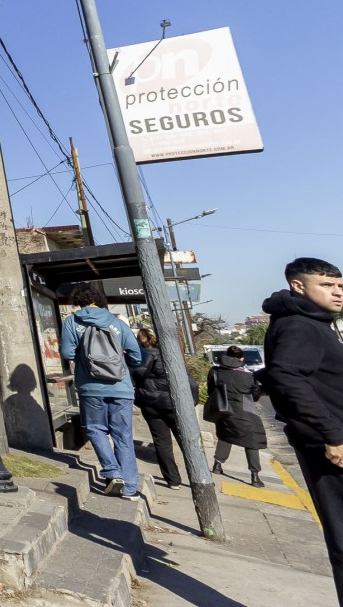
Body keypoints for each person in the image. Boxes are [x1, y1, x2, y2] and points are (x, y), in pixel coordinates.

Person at [263, 257, 343, 604]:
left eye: (340, 286)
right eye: (327, 286)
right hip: (331, 446)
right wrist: (333, 436)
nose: (338, 293)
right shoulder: (300, 325)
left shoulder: (310, 322)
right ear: (299, 286)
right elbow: (286, 375)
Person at [59, 282, 145, 498]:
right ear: (99, 300)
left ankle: (112, 471)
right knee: (123, 436)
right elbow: (137, 356)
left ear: (78, 301)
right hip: (121, 387)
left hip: (90, 387)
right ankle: (130, 488)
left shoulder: (72, 322)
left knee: (96, 429)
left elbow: (67, 352)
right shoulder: (118, 324)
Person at [131, 327, 196, 490]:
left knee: (162, 442)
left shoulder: (142, 356)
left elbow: (135, 377)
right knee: (186, 440)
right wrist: (192, 402)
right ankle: (198, 476)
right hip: (174, 404)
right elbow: (190, 382)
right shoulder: (173, 357)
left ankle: (173, 480)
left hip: (151, 403)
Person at [208, 344, 267, 487]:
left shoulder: (215, 372)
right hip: (246, 412)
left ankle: (217, 465)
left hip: (223, 411)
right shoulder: (248, 376)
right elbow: (255, 396)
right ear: (241, 359)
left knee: (225, 436)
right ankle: (254, 476)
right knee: (252, 442)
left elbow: (211, 391)